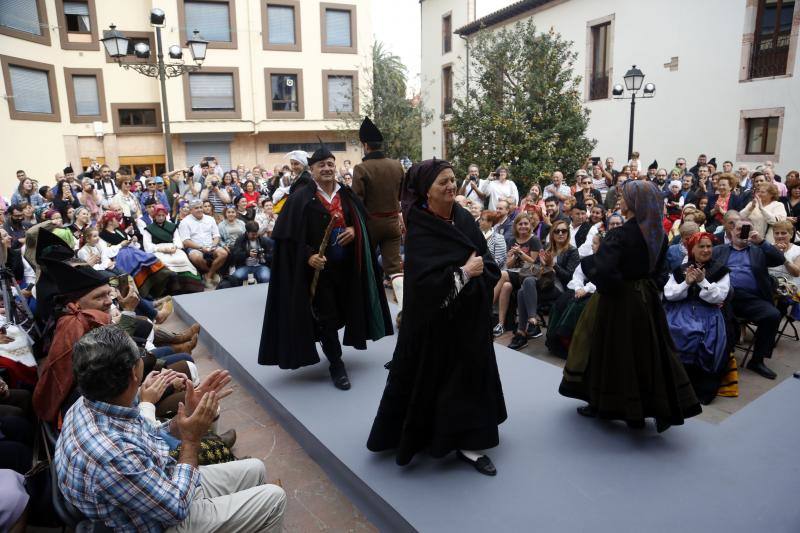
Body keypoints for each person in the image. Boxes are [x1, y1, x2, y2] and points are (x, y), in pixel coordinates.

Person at [55, 326, 286, 531]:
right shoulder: (112, 455)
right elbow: (176, 508)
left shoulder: (90, 402)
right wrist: (191, 439)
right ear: (135, 373)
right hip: (162, 519)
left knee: (255, 469)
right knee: (274, 499)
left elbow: (144, 435)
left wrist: (182, 419)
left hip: (157, 487)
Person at [367, 158, 507, 476]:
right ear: (426, 191)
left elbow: (486, 260)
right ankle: (438, 436)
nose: (450, 186)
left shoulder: (461, 216)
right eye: (442, 181)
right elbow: (424, 287)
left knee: (469, 383)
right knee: (441, 384)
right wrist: (464, 272)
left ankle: (469, 441)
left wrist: (478, 273)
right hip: (437, 327)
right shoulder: (421, 227)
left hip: (469, 322)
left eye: (453, 179)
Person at [559, 180, 701, 432]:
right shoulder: (658, 235)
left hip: (618, 301)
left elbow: (604, 270)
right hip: (646, 302)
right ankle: (639, 408)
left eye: (624, 197)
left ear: (636, 203)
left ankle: (605, 403)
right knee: (643, 352)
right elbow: (660, 272)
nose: (620, 201)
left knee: (610, 350)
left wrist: (598, 270)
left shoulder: (620, 234)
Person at [257, 141, 392, 390]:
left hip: (348, 269)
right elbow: (288, 238)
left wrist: (354, 229)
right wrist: (308, 255)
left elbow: (363, 222)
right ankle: (336, 364)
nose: (328, 168)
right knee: (327, 317)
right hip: (319, 273)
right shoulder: (301, 198)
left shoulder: (346, 194)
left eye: (331, 164)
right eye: (322, 165)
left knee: (346, 311)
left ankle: (332, 345)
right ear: (312, 170)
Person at [664, 232, 731, 404]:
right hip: (680, 310)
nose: (706, 250)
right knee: (674, 330)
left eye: (709, 246)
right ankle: (674, 385)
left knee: (704, 338)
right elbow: (669, 294)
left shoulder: (720, 270)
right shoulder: (680, 269)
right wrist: (686, 283)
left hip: (708, 313)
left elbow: (719, 298)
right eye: (701, 246)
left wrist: (702, 281)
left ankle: (699, 389)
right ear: (692, 249)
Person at [714, 218, 785, 379]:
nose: (742, 232)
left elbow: (780, 260)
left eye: (746, 229)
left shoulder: (758, 250)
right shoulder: (719, 250)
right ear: (732, 232)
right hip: (724, 297)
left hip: (752, 299)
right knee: (725, 319)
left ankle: (757, 360)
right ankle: (722, 358)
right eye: (739, 229)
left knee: (772, 315)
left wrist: (761, 242)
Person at [352, 117, 406, 320]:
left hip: (370, 224)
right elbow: (402, 195)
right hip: (392, 223)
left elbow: (357, 201)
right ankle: (404, 309)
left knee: (366, 266)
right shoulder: (396, 165)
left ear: (365, 145)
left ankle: (368, 313)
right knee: (394, 268)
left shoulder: (361, 169)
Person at [507, 219, 579, 349]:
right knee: (524, 287)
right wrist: (541, 264)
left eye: (564, 231)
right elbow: (537, 270)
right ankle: (531, 322)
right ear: (552, 234)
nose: (561, 233)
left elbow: (569, 277)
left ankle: (522, 333)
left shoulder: (572, 251)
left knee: (522, 292)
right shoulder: (547, 248)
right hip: (543, 283)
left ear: (568, 233)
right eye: (557, 231)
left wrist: (553, 265)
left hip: (559, 287)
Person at [546, 233, 601, 358]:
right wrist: (578, 288)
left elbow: (602, 279)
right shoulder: (588, 259)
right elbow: (578, 275)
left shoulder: (608, 261)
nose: (592, 245)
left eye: (595, 243)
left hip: (596, 292)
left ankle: (568, 340)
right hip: (581, 288)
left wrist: (586, 289)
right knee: (561, 302)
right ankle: (553, 339)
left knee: (576, 306)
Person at [142, 205, 202, 293]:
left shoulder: (172, 226)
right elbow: (147, 246)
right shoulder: (148, 229)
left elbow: (177, 240)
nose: (161, 217)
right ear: (154, 216)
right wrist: (162, 249)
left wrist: (175, 247)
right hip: (158, 250)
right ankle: (169, 287)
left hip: (173, 248)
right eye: (159, 215)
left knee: (182, 259)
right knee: (163, 263)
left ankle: (187, 286)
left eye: (163, 215)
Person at [179, 199, 229, 288]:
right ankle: (212, 273)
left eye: (201, 207)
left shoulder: (210, 219)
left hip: (211, 245)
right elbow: (186, 242)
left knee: (223, 253)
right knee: (196, 257)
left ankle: (209, 275)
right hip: (195, 247)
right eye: (196, 208)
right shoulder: (185, 222)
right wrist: (201, 247)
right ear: (191, 210)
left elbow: (216, 236)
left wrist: (213, 245)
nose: (199, 210)